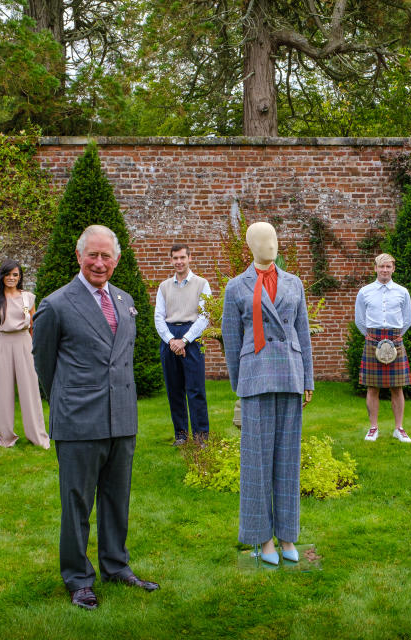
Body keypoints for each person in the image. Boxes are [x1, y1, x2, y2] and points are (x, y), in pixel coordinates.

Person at [32, 225, 159, 610]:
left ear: (117, 260)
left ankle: (116, 566)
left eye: (107, 256)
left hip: (121, 418)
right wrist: (70, 401)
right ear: (79, 256)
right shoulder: (56, 304)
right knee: (77, 503)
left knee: (117, 499)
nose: (99, 263)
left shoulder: (125, 300)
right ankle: (77, 577)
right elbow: (44, 365)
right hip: (78, 420)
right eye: (93, 255)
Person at [222, 221, 314, 566]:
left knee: (288, 460)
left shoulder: (294, 283)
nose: (270, 244)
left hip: (290, 374)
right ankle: (262, 538)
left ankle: (288, 534)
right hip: (256, 375)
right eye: (262, 239)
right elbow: (231, 339)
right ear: (249, 245)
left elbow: (302, 332)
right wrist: (240, 381)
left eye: (274, 238)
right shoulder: (236, 287)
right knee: (256, 461)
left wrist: (308, 378)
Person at [0, 260, 49, 450]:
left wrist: (36, 350)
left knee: (30, 389)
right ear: (2, 276)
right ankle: (5, 435)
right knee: (3, 391)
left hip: (24, 343)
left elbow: (34, 327)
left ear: (20, 277)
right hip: (3, 343)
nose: (11, 278)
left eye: (15, 274)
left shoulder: (28, 297)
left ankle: (37, 435)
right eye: (8, 274)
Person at [154, 243, 212, 446]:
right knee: (174, 388)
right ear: (171, 260)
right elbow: (159, 317)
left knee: (195, 389)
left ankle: (201, 436)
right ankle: (181, 434)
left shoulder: (201, 284)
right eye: (175, 258)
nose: (179, 262)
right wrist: (171, 340)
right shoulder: (164, 287)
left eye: (182, 258)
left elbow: (205, 316)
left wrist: (185, 340)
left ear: (189, 258)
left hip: (192, 337)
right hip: (169, 338)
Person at [355, 253, 411, 442]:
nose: (385, 270)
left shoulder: (402, 292)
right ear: (375, 268)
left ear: (393, 269)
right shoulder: (365, 291)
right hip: (373, 338)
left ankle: (399, 428)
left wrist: (397, 337)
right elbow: (360, 319)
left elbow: (407, 319)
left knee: (398, 387)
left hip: (395, 339)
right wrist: (369, 336)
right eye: (381, 267)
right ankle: (373, 428)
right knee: (372, 387)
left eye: (388, 267)